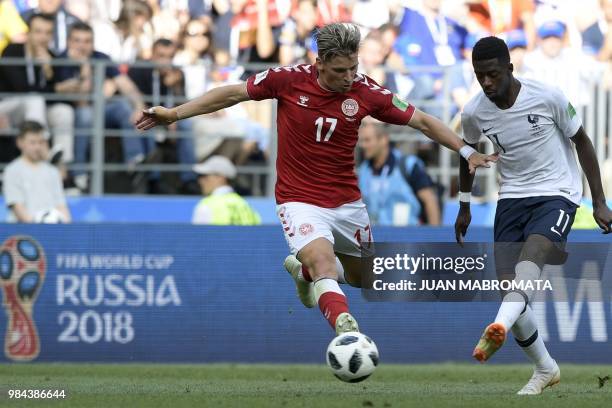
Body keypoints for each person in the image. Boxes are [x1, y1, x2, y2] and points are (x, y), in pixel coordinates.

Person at [136, 23, 496, 336]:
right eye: (340, 70)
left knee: (360, 278)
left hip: (346, 203)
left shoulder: (366, 91)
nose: (348, 77)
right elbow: (231, 93)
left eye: (353, 68)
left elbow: (422, 120)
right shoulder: (287, 80)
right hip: (298, 200)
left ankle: (305, 275)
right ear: (319, 63)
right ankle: (347, 333)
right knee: (324, 262)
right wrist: (175, 114)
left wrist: (466, 152)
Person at [455, 36, 612, 395]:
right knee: (510, 290)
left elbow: (583, 142)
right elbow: (469, 154)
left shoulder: (547, 96)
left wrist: (599, 201)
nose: (487, 83)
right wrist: (464, 205)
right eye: (480, 76)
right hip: (511, 196)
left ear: (510, 68)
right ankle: (545, 368)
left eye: (493, 74)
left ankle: (496, 327)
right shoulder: (475, 111)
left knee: (535, 255)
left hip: (558, 193)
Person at [54, 21, 146, 192]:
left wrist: (139, 106)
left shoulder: (101, 57)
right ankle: (79, 173)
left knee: (123, 106)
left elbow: (126, 85)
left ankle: (135, 161)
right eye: (77, 40)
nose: (82, 46)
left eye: (87, 41)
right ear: (69, 42)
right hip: (73, 113)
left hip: (99, 109)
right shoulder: (60, 60)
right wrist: (85, 68)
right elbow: (81, 100)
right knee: (85, 114)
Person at [358, 121, 441, 226]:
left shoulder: (408, 165)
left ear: (383, 139)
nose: (362, 145)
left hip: (408, 238)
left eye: (367, 140)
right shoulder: (364, 170)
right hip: (375, 239)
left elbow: (430, 201)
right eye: (361, 141)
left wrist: (434, 238)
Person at [2, 121, 71, 223]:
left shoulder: (52, 171)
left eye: (41, 142)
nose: (37, 147)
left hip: (52, 231)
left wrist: (66, 228)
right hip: (24, 234)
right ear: (20, 143)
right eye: (32, 142)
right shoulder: (12, 171)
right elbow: (18, 208)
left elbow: (61, 206)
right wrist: (39, 230)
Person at [192, 155, 261, 225]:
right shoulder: (246, 206)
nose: (200, 181)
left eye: (204, 176)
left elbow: (199, 235)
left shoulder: (206, 206)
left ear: (220, 177)